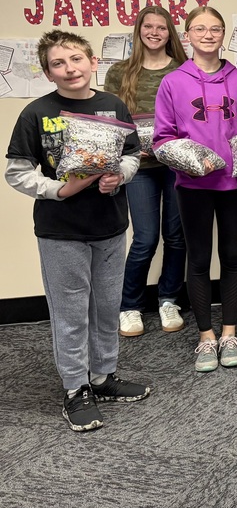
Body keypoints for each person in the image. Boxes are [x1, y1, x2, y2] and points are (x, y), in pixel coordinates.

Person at [6, 30, 149, 432]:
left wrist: (118, 175)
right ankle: (75, 388)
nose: (69, 68)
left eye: (76, 59)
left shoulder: (113, 105)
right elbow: (16, 172)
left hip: (109, 227)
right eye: (58, 63)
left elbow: (133, 154)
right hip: (61, 231)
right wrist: (58, 189)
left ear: (91, 62)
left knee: (106, 306)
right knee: (70, 314)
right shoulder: (37, 113)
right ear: (49, 73)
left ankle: (103, 377)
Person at [154, 6, 237, 371]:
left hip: (236, 182)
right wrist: (189, 161)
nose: (208, 35)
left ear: (222, 34)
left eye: (215, 29)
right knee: (198, 260)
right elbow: (163, 137)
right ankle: (205, 337)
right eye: (199, 29)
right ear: (187, 35)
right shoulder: (173, 82)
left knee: (233, 257)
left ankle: (230, 332)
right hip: (193, 184)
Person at [104, 5, 188, 337]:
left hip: (176, 164)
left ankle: (169, 299)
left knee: (176, 236)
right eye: (148, 26)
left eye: (162, 27)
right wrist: (125, 149)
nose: (154, 32)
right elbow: (110, 122)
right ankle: (130, 305)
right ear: (139, 30)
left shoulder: (184, 70)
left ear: (170, 33)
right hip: (139, 166)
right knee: (145, 238)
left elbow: (193, 119)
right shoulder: (119, 72)